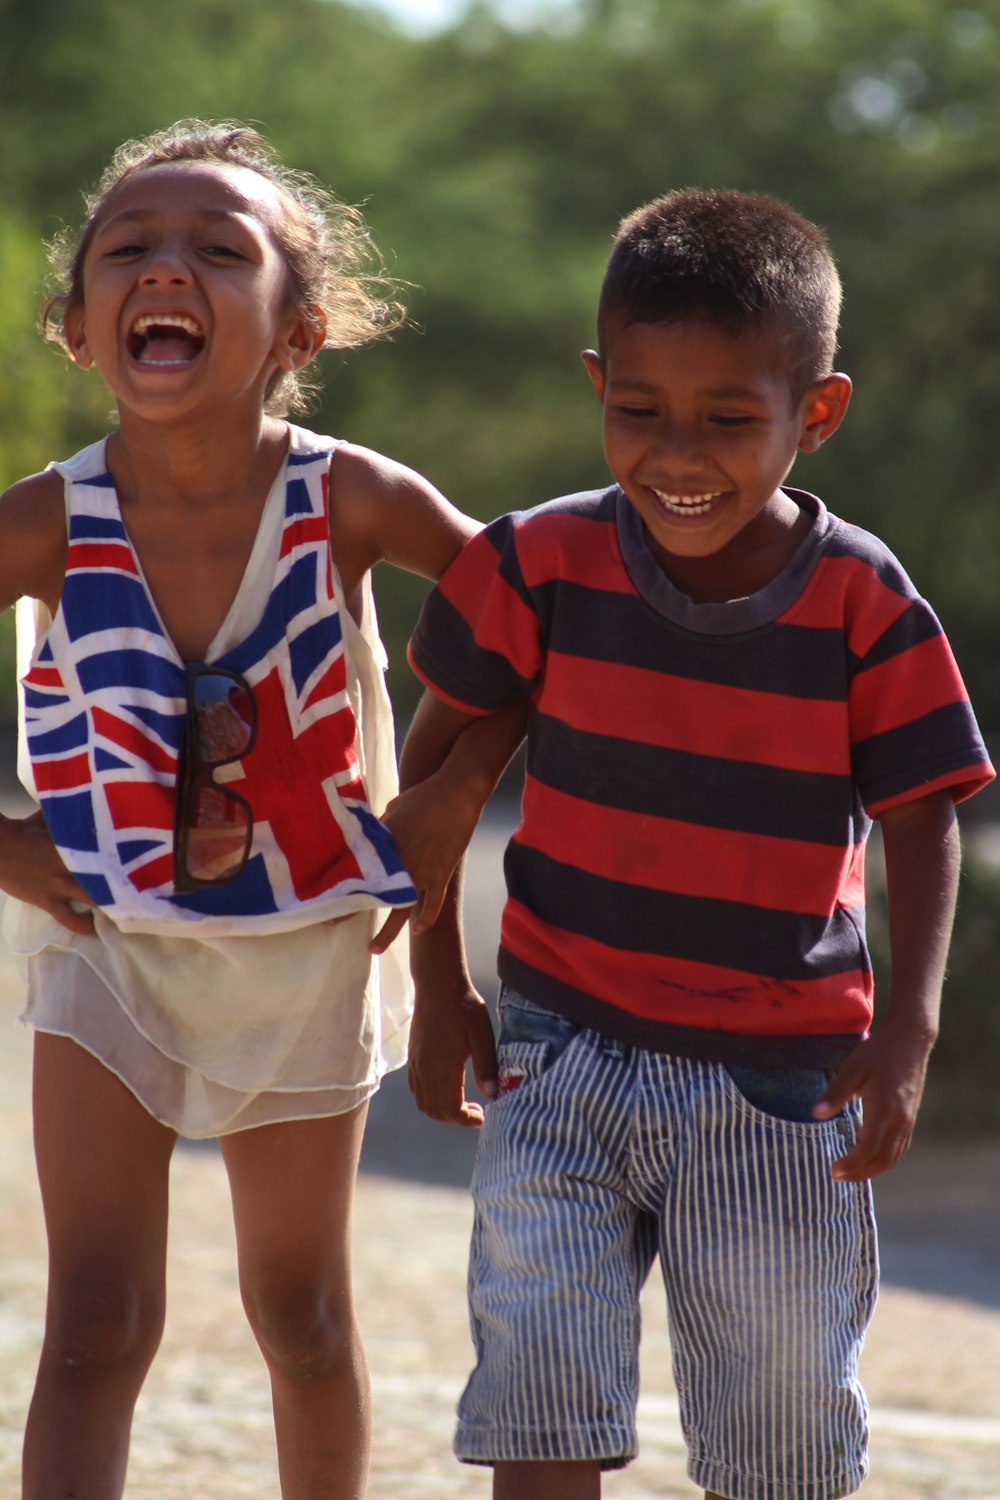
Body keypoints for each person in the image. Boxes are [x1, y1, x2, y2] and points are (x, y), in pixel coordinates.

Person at [385, 189, 996, 1500]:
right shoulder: (534, 563)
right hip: (558, 1048)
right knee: (540, 1397)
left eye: (730, 418)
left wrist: (908, 1035)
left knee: (778, 1438)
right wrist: (440, 990)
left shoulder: (864, 603)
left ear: (816, 412)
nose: (679, 453)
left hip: (785, 1085)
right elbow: (432, 789)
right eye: (639, 410)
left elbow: (924, 815)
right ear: (598, 385)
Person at [0, 118, 503, 1500]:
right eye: (131, 249)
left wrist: (453, 796)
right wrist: (1, 844)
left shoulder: (349, 499)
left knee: (304, 1320)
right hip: (104, 948)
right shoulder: (45, 519)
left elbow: (529, 630)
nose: (169, 266)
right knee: (96, 1323)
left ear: (297, 331)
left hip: (301, 949)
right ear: (80, 328)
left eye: (222, 251)